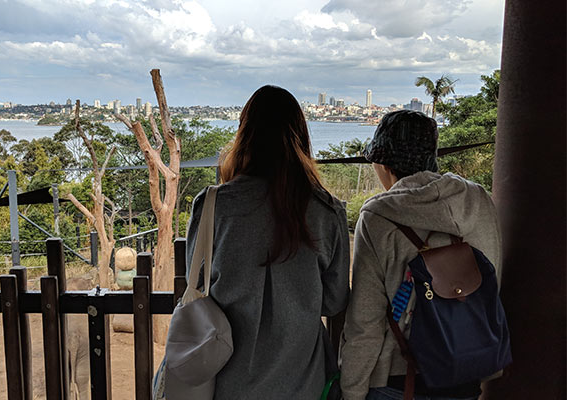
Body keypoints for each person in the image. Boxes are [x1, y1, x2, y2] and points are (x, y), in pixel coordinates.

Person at [185, 85, 350, 399]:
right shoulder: (327, 211)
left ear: (244, 134)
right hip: (303, 381)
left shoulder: (212, 206)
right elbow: (334, 301)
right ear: (301, 137)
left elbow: (196, 285)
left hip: (225, 381)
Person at [339, 110, 502, 400]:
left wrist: (352, 389)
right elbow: (491, 282)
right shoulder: (478, 201)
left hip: (400, 379)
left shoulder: (378, 217)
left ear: (383, 164)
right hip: (466, 369)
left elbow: (366, 321)